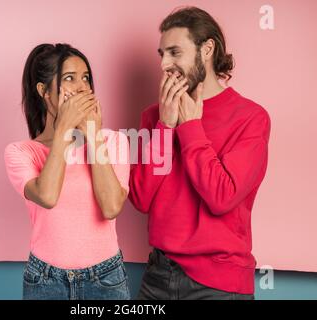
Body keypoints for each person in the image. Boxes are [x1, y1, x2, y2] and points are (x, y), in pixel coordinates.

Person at [129, 7, 271, 300]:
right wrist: (165, 128)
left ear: (207, 49)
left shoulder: (251, 118)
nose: (165, 64)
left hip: (219, 283)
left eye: (174, 52)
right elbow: (141, 197)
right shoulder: (154, 117)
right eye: (161, 54)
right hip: (157, 276)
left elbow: (221, 197)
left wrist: (190, 127)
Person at [4, 43, 130, 300]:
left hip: (106, 278)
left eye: (86, 78)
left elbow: (111, 207)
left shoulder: (115, 141)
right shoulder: (21, 152)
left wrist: (93, 135)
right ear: (44, 91)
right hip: (45, 280)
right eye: (70, 79)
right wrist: (63, 130)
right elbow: (47, 196)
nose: (83, 87)